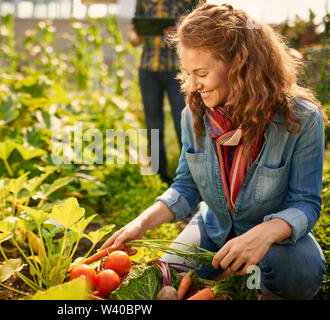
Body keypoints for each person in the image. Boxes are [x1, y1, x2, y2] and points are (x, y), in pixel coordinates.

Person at [102, 3, 327, 300]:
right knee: (165, 278)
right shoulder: (194, 114)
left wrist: (265, 233)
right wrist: (141, 223)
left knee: (302, 275)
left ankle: (245, 276)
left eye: (202, 73)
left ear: (239, 66)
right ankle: (231, 278)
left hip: (273, 239)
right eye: (188, 73)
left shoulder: (301, 119)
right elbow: (185, 186)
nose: (193, 86)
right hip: (214, 227)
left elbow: (306, 203)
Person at [129, 0, 200, 184]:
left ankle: (191, 177)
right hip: (148, 69)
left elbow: (203, 30)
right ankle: (160, 176)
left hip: (178, 70)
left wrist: (181, 32)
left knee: (184, 122)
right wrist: (141, 33)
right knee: (153, 125)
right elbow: (133, 38)